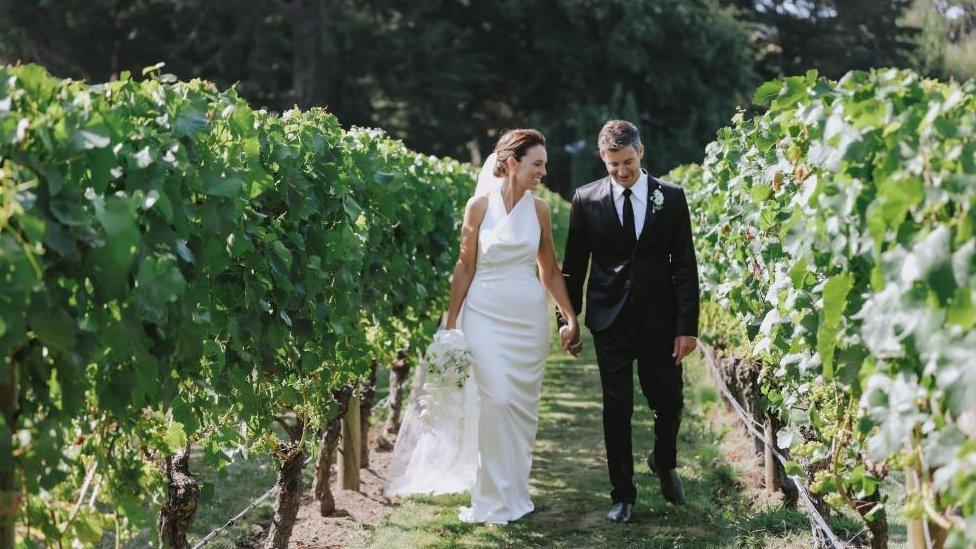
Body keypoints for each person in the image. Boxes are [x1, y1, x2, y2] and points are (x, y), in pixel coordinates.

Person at [386, 128, 580, 525]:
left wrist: (570, 316)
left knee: (521, 412)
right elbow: (464, 266)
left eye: (544, 164)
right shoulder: (478, 207)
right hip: (484, 316)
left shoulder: (539, 210)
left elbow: (549, 270)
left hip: (527, 321)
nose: (543, 171)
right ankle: (490, 497)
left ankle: (515, 492)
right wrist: (451, 322)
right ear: (512, 163)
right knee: (497, 402)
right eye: (537, 164)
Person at [558, 119, 700, 524]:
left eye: (627, 163)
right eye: (612, 164)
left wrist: (686, 327)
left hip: (660, 319)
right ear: (603, 159)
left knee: (668, 402)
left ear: (641, 153)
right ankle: (623, 493)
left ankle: (664, 460)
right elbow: (574, 267)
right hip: (610, 319)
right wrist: (567, 319)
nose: (621, 171)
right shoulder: (586, 199)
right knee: (615, 407)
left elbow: (685, 266)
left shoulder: (670, 198)